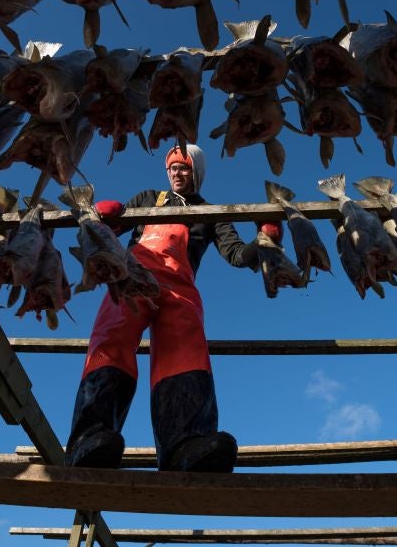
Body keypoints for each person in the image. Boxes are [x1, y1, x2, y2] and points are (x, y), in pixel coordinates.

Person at [64, 143, 282, 473]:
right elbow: (109, 231)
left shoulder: (211, 214)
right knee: (111, 342)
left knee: (185, 352)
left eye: (184, 168)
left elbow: (239, 256)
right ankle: (89, 439)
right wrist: (103, 220)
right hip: (130, 276)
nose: (177, 173)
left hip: (179, 290)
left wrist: (265, 238)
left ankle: (185, 444)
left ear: (197, 172)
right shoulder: (147, 197)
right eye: (172, 168)